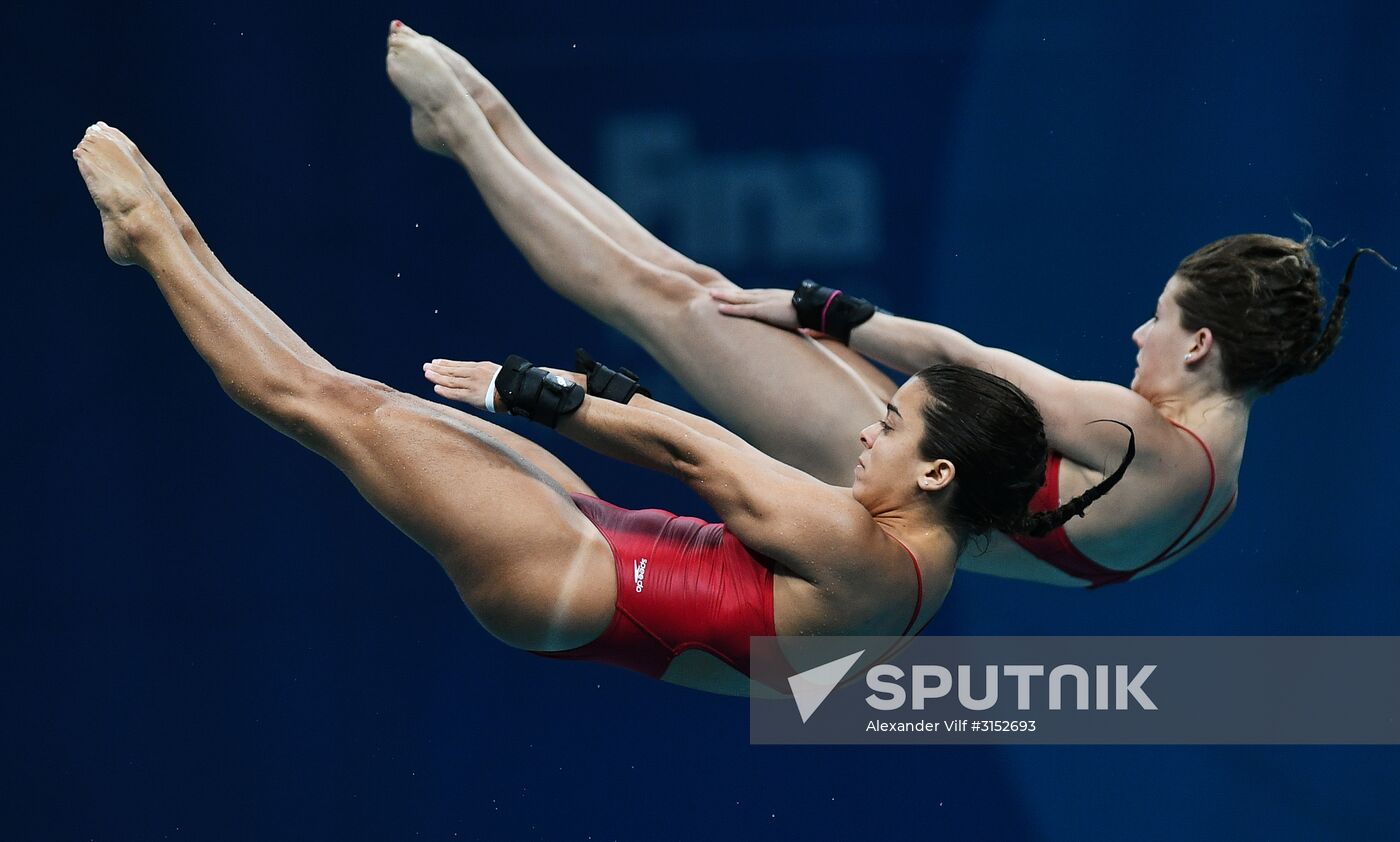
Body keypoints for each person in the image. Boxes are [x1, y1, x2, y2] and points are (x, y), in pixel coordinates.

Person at [72, 121, 1129, 696]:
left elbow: (694, 451)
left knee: (327, 403)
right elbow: (733, 600)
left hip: (577, 572)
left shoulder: (861, 550)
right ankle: (153, 245)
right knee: (364, 407)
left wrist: (525, 391)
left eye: (892, 426)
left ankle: (154, 228)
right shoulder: (920, 574)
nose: (867, 428)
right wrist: (582, 407)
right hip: (604, 561)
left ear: (938, 473)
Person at [385, 22, 1391, 587]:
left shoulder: (1147, 437)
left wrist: (811, 305)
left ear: (1202, 342)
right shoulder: (1219, 492)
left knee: (664, 297)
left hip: (869, 444)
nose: (1136, 334)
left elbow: (953, 349)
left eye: (1158, 319)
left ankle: (473, 126)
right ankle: (482, 121)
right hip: (905, 486)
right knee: (675, 286)